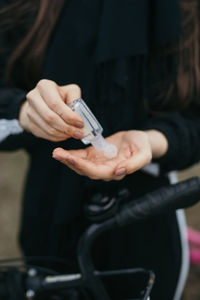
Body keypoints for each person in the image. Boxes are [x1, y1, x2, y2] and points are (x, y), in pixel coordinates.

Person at [0, 0, 200, 299]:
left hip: (148, 239)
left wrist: (151, 140)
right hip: (48, 230)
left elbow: (193, 121)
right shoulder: (28, 8)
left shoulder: (184, 10)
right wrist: (26, 113)